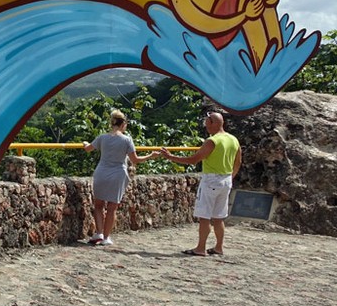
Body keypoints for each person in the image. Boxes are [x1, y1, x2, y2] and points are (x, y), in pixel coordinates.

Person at [162, 111, 242, 257]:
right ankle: (219, 247)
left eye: (207, 123)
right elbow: (238, 161)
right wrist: (231, 176)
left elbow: (194, 159)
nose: (206, 126)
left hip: (211, 179)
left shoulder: (212, 141)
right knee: (219, 217)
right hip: (226, 179)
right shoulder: (233, 139)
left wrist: (171, 157)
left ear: (212, 123)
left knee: (204, 216)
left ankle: (201, 248)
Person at [82, 110, 161, 246]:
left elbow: (88, 148)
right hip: (118, 174)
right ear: (123, 124)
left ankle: (99, 233)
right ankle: (106, 237)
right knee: (112, 208)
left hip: (101, 173)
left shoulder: (102, 137)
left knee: (98, 205)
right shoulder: (126, 140)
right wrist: (151, 156)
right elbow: (135, 160)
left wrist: (85, 143)